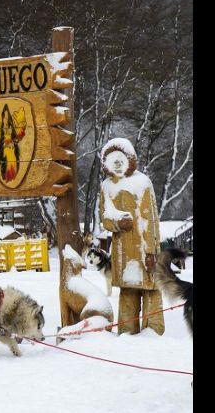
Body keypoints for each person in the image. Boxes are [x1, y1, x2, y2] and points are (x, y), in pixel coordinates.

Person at [99, 137, 164, 335]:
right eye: (113, 161)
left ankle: (153, 329)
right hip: (121, 250)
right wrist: (117, 223)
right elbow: (105, 217)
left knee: (151, 290)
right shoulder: (107, 186)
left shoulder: (142, 183)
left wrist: (152, 251)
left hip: (144, 246)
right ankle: (127, 330)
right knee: (127, 292)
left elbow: (149, 220)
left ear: (130, 159)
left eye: (121, 159)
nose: (117, 164)